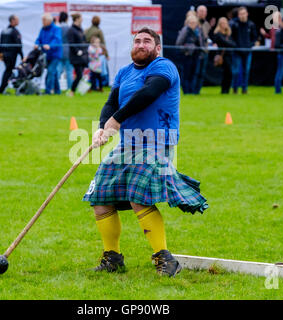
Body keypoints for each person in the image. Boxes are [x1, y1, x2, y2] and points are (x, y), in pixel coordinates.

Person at [83, 27, 208, 276]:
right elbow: (111, 102)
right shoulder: (124, 72)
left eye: (147, 41)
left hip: (156, 142)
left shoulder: (164, 67)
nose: (141, 45)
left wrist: (116, 121)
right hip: (127, 144)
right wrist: (102, 128)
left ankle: (166, 260)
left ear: (157, 48)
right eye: (137, 41)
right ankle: (112, 258)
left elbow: (148, 93)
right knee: (100, 198)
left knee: (139, 198)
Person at [230, 6, 257, 94]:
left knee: (246, 71)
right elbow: (230, 38)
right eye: (240, 14)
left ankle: (244, 89)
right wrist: (235, 46)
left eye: (244, 13)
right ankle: (235, 88)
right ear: (238, 15)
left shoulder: (251, 24)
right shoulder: (234, 24)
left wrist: (250, 45)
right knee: (236, 71)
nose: (242, 15)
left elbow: (254, 37)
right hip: (237, 51)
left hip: (247, 52)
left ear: (247, 14)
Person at [35, 13, 63, 95]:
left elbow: (57, 40)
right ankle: (57, 91)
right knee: (53, 73)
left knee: (50, 72)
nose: (42, 22)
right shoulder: (43, 29)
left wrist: (50, 46)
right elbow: (39, 39)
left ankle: (48, 91)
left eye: (44, 20)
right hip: (46, 55)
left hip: (55, 55)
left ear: (49, 21)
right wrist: (36, 43)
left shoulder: (56, 29)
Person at [176, 15, 203, 94]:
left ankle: (192, 90)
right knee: (186, 74)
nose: (193, 24)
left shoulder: (198, 31)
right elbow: (178, 43)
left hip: (196, 55)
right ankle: (186, 91)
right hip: (187, 55)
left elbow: (200, 43)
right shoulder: (185, 30)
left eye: (194, 22)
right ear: (188, 23)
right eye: (191, 22)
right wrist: (186, 50)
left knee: (194, 73)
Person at [0, 14, 23, 94]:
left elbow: (0, 44)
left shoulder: (4, 30)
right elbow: (18, 45)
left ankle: (5, 88)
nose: (18, 21)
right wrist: (22, 56)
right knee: (8, 71)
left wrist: (1, 54)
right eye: (17, 20)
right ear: (12, 20)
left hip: (5, 55)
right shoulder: (14, 31)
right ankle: (2, 89)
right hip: (11, 55)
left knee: (8, 71)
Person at [213, 17, 237, 94]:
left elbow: (234, 44)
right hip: (222, 56)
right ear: (219, 24)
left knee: (229, 73)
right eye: (222, 23)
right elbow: (226, 43)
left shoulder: (228, 34)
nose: (224, 25)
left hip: (229, 56)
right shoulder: (218, 34)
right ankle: (224, 90)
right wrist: (228, 43)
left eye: (225, 23)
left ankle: (227, 90)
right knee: (227, 73)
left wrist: (228, 43)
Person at [68, 13, 88, 97]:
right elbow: (71, 43)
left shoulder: (80, 29)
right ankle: (72, 91)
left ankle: (76, 90)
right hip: (76, 57)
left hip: (83, 56)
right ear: (77, 19)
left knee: (80, 75)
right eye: (81, 18)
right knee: (79, 74)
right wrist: (77, 51)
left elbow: (84, 40)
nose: (82, 19)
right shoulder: (71, 30)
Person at [193, 5, 210, 95]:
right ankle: (192, 91)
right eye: (201, 11)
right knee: (195, 72)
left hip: (205, 52)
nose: (203, 13)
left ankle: (197, 91)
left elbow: (207, 38)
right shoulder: (193, 23)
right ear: (197, 12)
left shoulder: (207, 24)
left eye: (204, 12)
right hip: (196, 52)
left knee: (202, 73)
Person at [58, 11, 73, 91]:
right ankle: (70, 89)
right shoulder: (69, 28)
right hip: (68, 51)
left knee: (58, 70)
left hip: (59, 50)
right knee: (69, 71)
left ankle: (55, 88)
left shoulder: (58, 27)